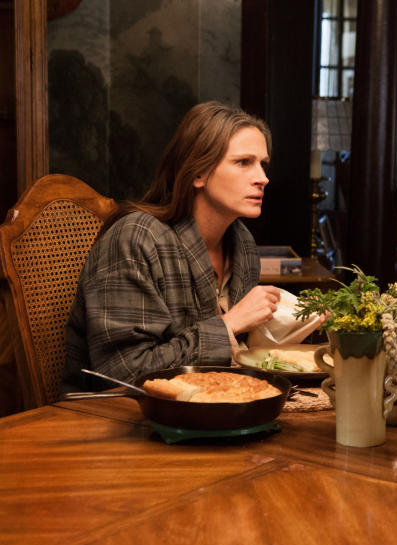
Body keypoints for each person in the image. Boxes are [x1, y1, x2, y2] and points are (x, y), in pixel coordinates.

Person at [62, 101, 283, 391]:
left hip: (211, 411)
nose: (262, 178)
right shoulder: (136, 239)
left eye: (263, 164)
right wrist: (229, 325)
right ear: (198, 174)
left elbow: (234, 359)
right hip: (114, 419)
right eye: (243, 162)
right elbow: (121, 374)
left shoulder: (241, 242)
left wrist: (287, 326)